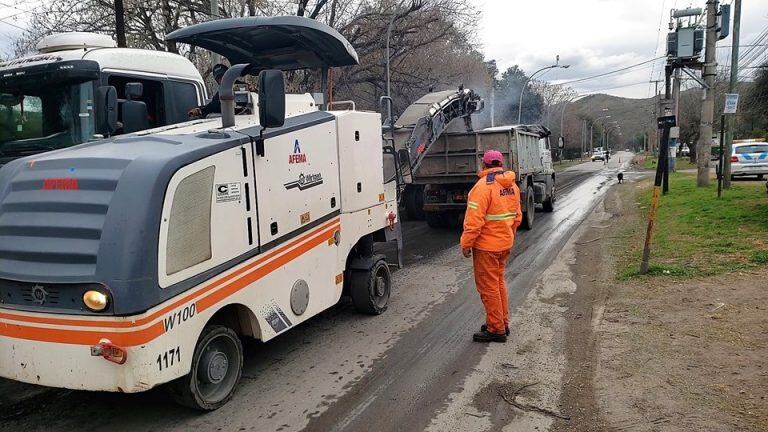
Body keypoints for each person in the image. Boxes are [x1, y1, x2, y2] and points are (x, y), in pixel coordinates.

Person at [460, 150, 523, 343]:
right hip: (504, 243)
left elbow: (474, 221)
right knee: (498, 283)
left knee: (488, 287)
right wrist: (508, 235)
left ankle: (496, 329)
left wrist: (466, 243)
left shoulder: (482, 188)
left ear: (484, 165)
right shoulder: (512, 185)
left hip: (487, 247)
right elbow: (517, 216)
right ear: (500, 163)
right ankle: (501, 322)